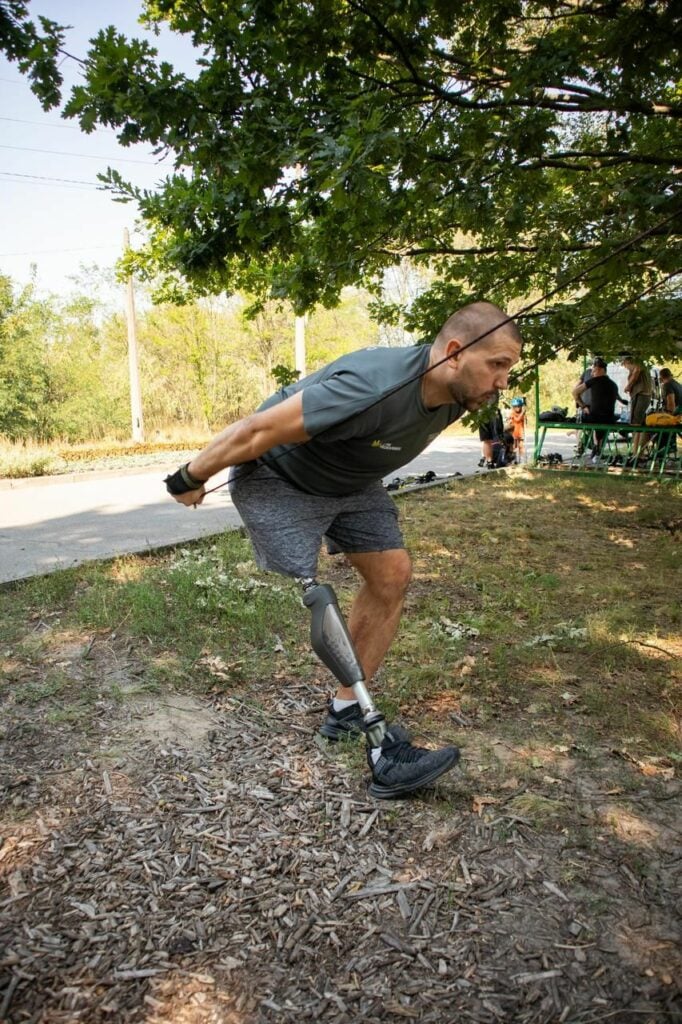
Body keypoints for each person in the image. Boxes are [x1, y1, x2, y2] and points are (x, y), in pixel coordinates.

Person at [165, 301, 523, 798]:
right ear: (455, 352)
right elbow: (258, 429)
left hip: (353, 484)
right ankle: (380, 745)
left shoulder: (458, 395)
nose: (503, 381)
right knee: (315, 591)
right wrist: (190, 475)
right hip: (281, 479)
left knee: (392, 576)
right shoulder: (372, 386)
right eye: (498, 365)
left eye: (509, 368)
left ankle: (344, 710)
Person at [571, 357, 628, 461]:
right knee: (604, 420)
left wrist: (583, 406)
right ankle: (597, 448)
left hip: (594, 418)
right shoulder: (614, 385)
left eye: (594, 370)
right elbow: (619, 399)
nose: (592, 373)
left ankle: (584, 447)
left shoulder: (593, 381)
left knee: (581, 420)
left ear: (600, 370)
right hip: (609, 419)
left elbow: (574, 392)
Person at [621, 354, 653, 456]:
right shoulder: (641, 368)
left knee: (636, 424)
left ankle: (636, 452)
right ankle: (640, 451)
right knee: (641, 423)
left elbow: (636, 373)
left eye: (626, 365)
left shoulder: (638, 366)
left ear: (628, 362)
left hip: (641, 395)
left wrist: (628, 386)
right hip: (640, 396)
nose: (626, 368)